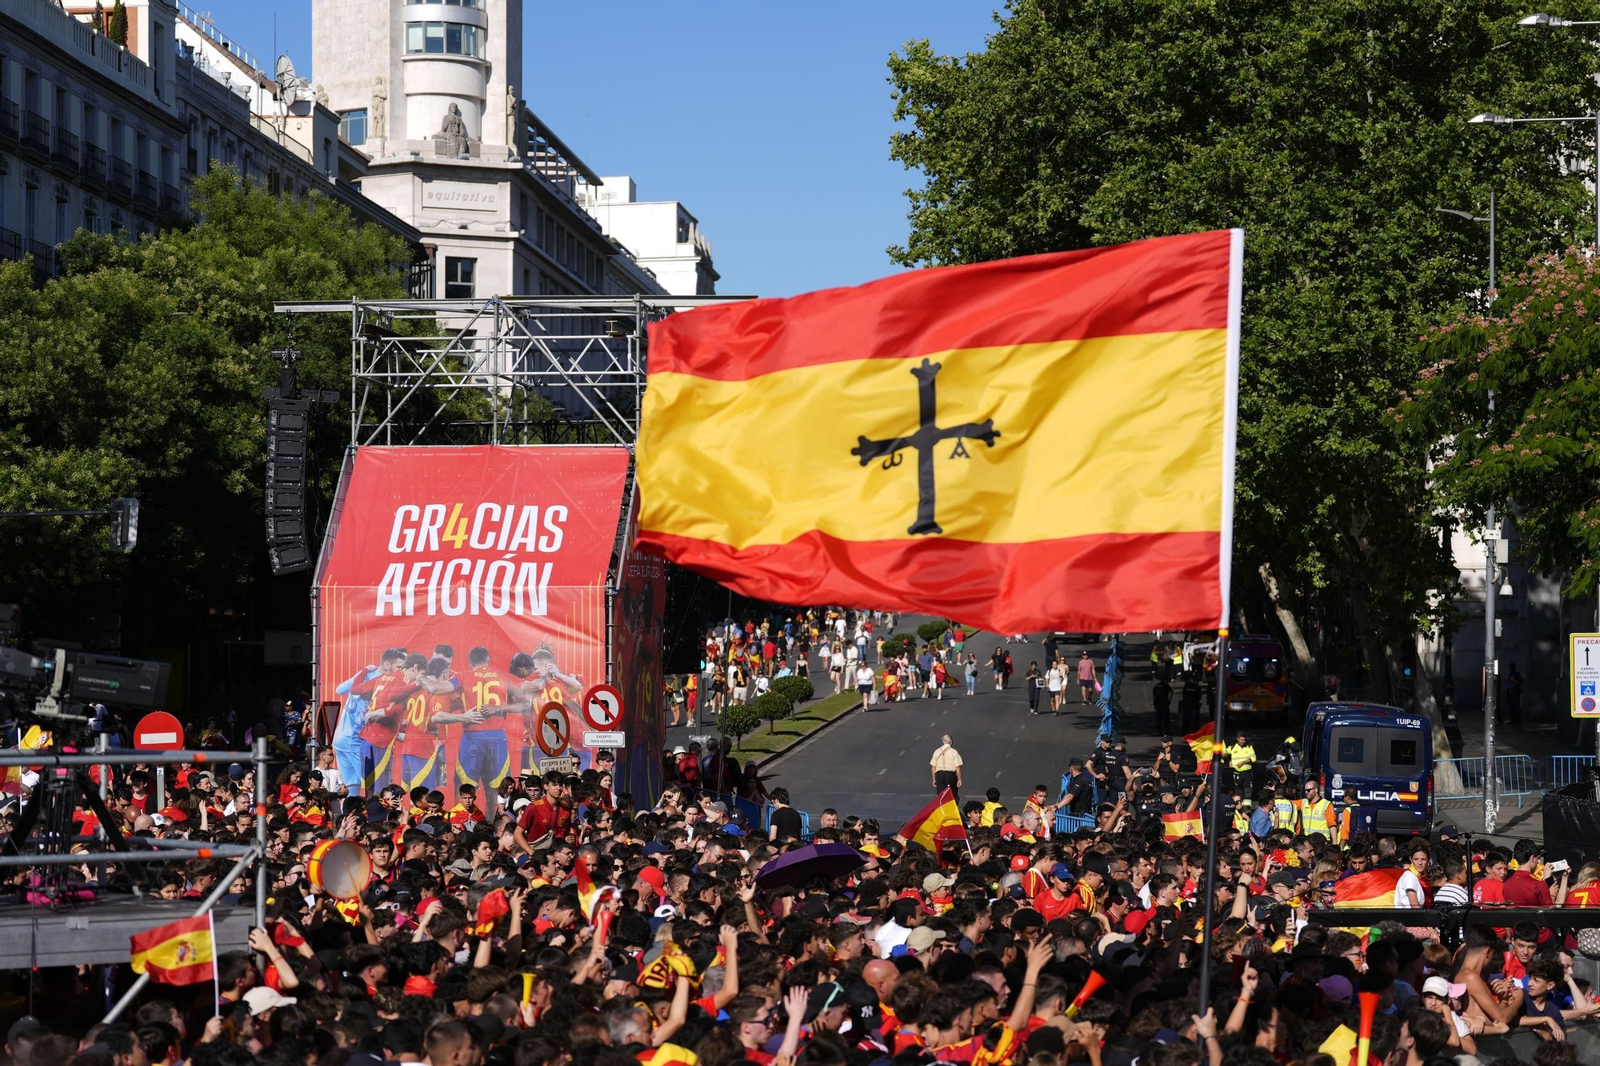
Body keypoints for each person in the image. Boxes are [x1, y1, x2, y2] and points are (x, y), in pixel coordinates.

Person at [930, 734, 963, 800]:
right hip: (950, 775)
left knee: (941, 797)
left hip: (939, 775)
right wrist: (959, 779)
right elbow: (958, 767)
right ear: (951, 742)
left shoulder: (937, 751)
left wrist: (934, 779)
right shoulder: (953, 752)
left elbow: (933, 767)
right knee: (952, 795)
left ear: (943, 741)